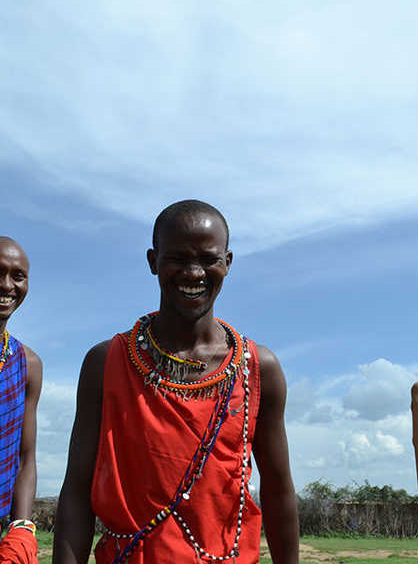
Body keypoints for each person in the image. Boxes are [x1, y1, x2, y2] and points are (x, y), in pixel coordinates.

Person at [53, 201, 299, 564]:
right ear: (153, 261)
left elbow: (278, 491)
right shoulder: (106, 362)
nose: (193, 273)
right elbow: (77, 489)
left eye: (208, 259)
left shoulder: (258, 369)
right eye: (178, 258)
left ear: (228, 263)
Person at [0, 237, 43, 563]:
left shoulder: (27, 364)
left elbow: (26, 458)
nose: (7, 285)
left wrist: (22, 529)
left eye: (18, 275)